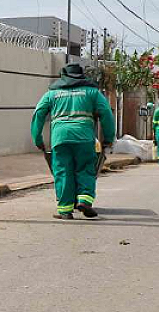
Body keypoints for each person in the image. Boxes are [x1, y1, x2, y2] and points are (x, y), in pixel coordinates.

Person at [31, 63, 116, 220]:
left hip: (60, 138)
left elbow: (38, 114)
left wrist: (38, 139)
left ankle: (65, 210)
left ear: (63, 76)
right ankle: (84, 200)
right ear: (82, 76)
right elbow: (106, 114)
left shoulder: (51, 94)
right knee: (85, 168)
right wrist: (109, 138)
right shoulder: (92, 93)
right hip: (84, 137)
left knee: (63, 171)